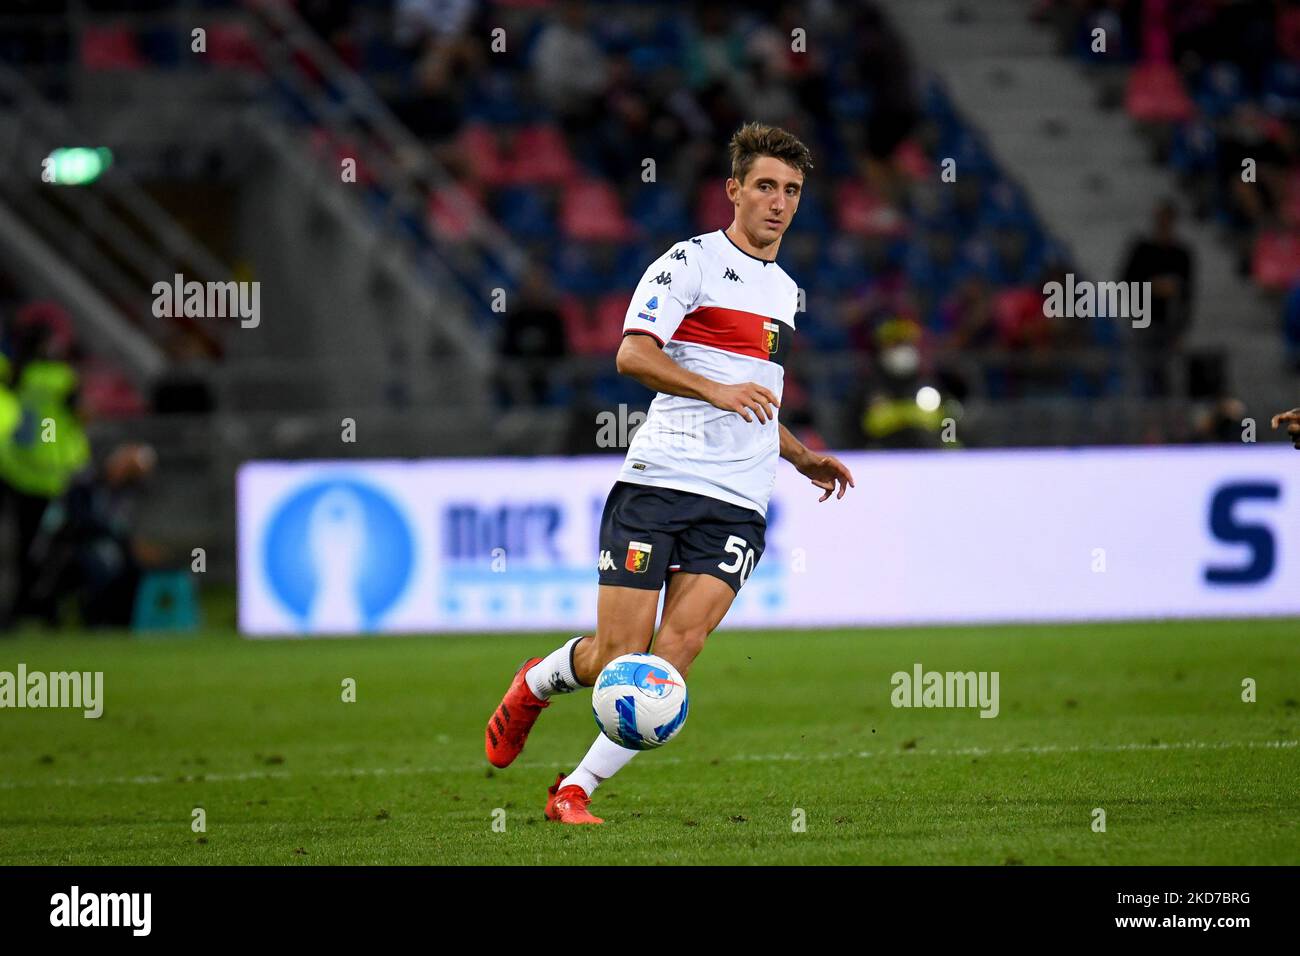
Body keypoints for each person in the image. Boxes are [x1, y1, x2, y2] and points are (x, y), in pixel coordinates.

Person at [482, 122, 855, 824]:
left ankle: (574, 791)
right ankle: (536, 683)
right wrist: (713, 392)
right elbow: (632, 354)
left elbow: (752, 395)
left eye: (793, 191)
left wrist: (800, 454)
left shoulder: (786, 292)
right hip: (660, 482)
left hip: (740, 501)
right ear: (734, 190)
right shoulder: (688, 264)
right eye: (766, 187)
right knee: (618, 657)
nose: (779, 203)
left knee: (673, 658)